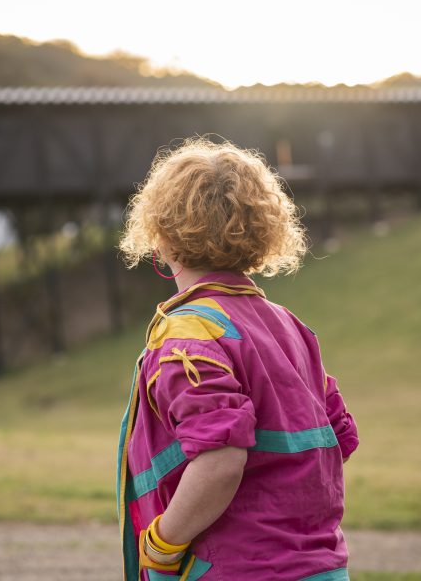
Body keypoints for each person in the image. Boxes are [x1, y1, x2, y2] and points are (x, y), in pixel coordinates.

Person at [116, 136, 359, 581]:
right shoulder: (289, 326)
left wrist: (162, 544)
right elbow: (338, 437)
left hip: (231, 568)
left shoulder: (188, 333)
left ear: (162, 234)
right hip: (320, 568)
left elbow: (220, 461)